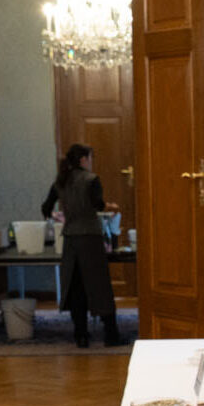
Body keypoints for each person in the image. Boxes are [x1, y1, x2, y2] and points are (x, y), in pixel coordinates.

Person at [41, 142, 122, 347]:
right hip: (91, 239)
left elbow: (46, 208)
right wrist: (109, 206)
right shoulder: (91, 180)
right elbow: (97, 204)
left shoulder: (61, 181)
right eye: (90, 158)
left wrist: (58, 216)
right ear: (84, 159)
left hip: (70, 240)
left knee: (76, 287)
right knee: (99, 287)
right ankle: (111, 335)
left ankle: (81, 335)